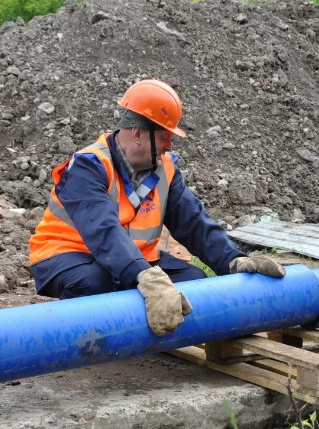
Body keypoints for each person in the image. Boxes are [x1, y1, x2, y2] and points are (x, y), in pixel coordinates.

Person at [29, 79, 285, 336]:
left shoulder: (165, 169)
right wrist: (145, 277)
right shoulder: (89, 166)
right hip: (67, 255)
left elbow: (193, 222)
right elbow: (103, 231)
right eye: (164, 137)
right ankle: (83, 337)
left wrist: (232, 260)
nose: (169, 146)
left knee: (195, 283)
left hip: (133, 259)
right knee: (95, 282)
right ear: (138, 133)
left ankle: (138, 324)